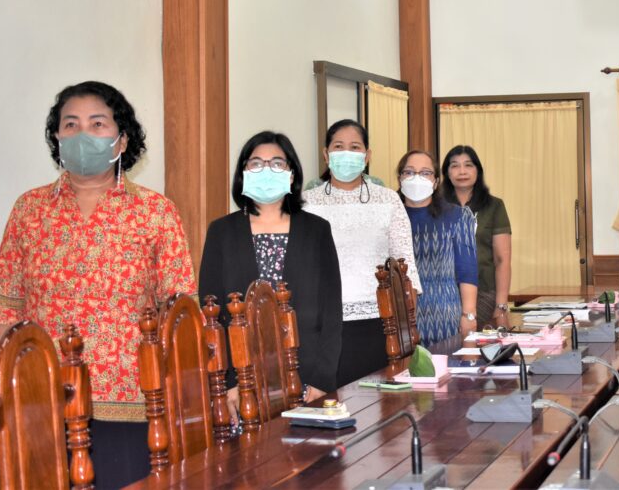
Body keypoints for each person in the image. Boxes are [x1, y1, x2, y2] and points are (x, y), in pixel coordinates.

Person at [0, 81, 196, 489]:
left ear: (122, 140)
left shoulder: (156, 213)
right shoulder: (29, 211)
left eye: (97, 124)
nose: (83, 134)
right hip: (41, 401)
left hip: (132, 404)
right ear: (57, 137)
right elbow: (5, 310)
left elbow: (180, 314)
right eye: (71, 125)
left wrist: (181, 402)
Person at [199, 131, 342, 416]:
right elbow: (211, 313)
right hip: (241, 380)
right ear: (243, 173)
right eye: (256, 164)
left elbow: (332, 310)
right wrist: (228, 383)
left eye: (277, 163)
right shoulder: (221, 232)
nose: (266, 170)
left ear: (291, 174)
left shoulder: (316, 230)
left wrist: (322, 379)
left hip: (307, 376)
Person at [301, 119, 420, 386]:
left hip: (379, 324)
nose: (347, 153)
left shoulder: (388, 199)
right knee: (328, 403)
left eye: (355, 147)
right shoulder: (307, 203)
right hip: (321, 327)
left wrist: (407, 328)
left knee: (376, 403)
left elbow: (406, 268)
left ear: (367, 156)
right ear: (326, 155)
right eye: (338, 146)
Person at [397, 150, 478, 344]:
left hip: (445, 317)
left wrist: (469, 315)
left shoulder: (457, 216)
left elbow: (467, 271)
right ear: (400, 178)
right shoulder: (390, 217)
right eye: (409, 172)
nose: (417, 177)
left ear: (435, 182)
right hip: (400, 319)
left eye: (425, 173)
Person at [441, 145, 511, 329]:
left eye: (468, 165)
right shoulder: (437, 207)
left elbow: (502, 260)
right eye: (455, 165)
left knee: (470, 335)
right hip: (444, 292)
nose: (462, 171)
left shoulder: (494, 206)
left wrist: (501, 306)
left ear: (478, 171)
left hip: (483, 291)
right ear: (447, 173)